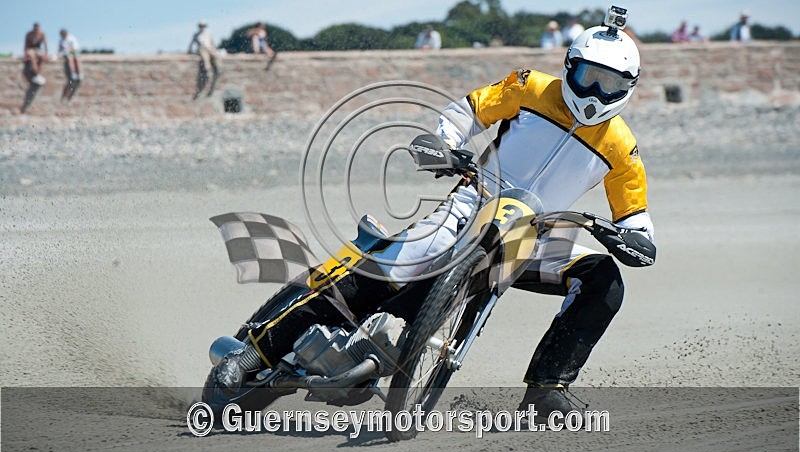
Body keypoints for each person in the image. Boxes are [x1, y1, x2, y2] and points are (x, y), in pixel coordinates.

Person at [211, 18, 655, 419]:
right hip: (473, 201)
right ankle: (256, 354)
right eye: (588, 76)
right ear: (569, 65)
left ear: (628, 87)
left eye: (609, 82)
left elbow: (635, 213)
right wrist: (445, 144)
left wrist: (635, 237)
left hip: (535, 236)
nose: (595, 92)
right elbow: (467, 111)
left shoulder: (621, 146)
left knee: (604, 279)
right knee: (384, 269)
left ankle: (546, 390)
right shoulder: (529, 87)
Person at [188, 21, 221, 99]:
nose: (202, 27)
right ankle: (208, 70)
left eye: (203, 26)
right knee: (205, 59)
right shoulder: (196, 35)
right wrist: (189, 51)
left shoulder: (208, 33)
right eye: (201, 26)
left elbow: (212, 42)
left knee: (216, 57)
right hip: (202, 49)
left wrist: (214, 49)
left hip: (210, 48)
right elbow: (192, 44)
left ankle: (218, 68)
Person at [58, 28, 82, 101]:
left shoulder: (71, 38)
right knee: (69, 58)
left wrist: (69, 50)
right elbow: (60, 50)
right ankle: (73, 73)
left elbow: (75, 48)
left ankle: (79, 73)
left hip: (73, 53)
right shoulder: (61, 41)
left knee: (75, 58)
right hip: (67, 55)